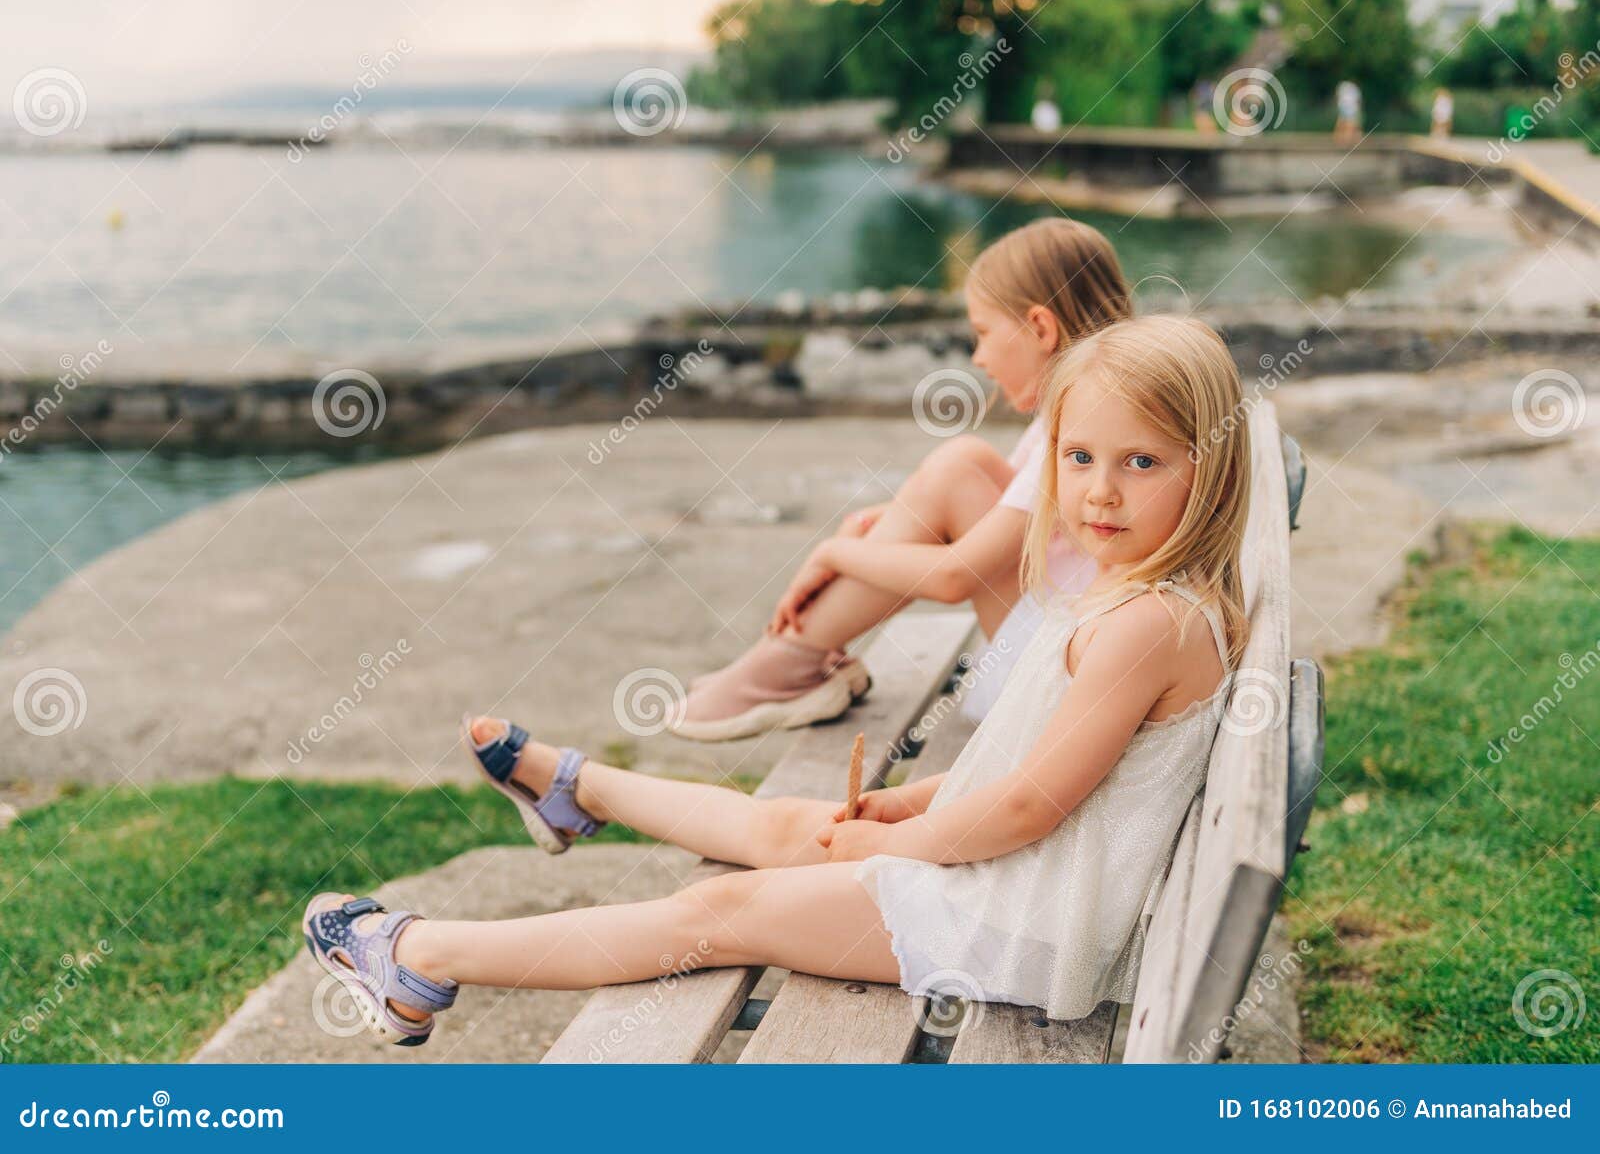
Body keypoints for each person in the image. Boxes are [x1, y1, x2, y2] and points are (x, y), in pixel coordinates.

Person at [300, 314, 1252, 1045]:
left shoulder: (1146, 623)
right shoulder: (1145, 594)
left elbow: (1025, 810)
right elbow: (1036, 771)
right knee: (792, 828)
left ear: (1207, 473)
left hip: (1016, 928)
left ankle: (419, 956)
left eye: (1141, 462)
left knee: (722, 912)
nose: (1099, 492)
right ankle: (570, 786)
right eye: (1079, 457)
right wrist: (911, 804)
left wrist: (913, 838)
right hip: (1020, 891)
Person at [667, 217, 1133, 741]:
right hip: (1069, 641)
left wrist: (831, 554)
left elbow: (956, 577)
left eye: (982, 333)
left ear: (1041, 328)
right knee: (965, 468)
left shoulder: (1076, 430)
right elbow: (1001, 515)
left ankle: (789, 663)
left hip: (1054, 670)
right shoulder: (1096, 409)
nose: (978, 358)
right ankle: (790, 661)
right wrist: (872, 523)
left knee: (961, 465)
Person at [1334, 79, 1362, 146]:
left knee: (1344, 123)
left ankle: (1343, 139)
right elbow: (1358, 100)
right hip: (1350, 108)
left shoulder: (1343, 86)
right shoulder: (1353, 88)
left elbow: (1338, 96)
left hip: (1345, 107)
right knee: (1349, 124)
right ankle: (1346, 139)